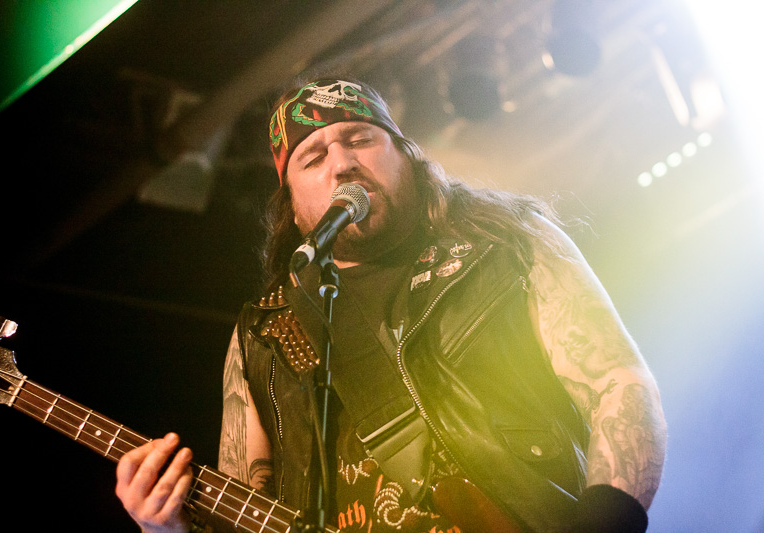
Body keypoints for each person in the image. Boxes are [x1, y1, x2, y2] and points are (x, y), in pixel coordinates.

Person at [115, 78, 666, 532]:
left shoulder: (506, 241)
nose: (342, 164)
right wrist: (164, 526)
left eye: (359, 139)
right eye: (313, 158)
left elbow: (617, 384)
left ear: (406, 156)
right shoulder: (264, 331)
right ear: (293, 206)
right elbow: (246, 503)